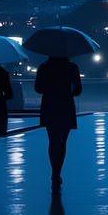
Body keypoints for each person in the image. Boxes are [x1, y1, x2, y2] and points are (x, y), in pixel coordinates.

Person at [36, 54, 83, 188]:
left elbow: (38, 88)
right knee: (62, 141)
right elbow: (78, 89)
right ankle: (58, 171)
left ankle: (54, 171)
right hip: (65, 105)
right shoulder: (72, 67)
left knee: (52, 140)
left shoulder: (44, 67)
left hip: (49, 104)